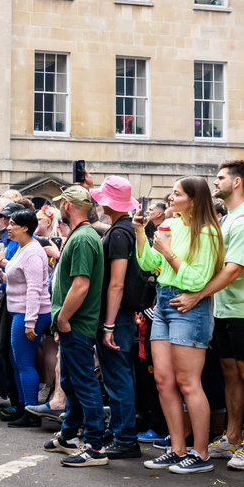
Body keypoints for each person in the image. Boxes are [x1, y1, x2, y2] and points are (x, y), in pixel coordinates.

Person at [174, 160, 244, 470]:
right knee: (230, 374)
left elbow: (232, 271)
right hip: (224, 309)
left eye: (221, 177)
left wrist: (198, 295)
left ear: (238, 182)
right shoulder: (227, 219)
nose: (215, 182)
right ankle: (232, 435)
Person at [138, 176, 224, 475]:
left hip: (190, 306)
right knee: (163, 380)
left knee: (189, 383)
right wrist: (140, 232)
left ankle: (200, 453)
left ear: (194, 199)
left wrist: (170, 253)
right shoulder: (170, 225)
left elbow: (197, 281)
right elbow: (149, 264)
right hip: (163, 302)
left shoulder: (209, 233)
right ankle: (177, 448)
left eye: (176, 194)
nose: (170, 198)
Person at [42, 185, 108, 467]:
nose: (59, 209)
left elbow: (81, 285)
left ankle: (94, 445)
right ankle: (69, 436)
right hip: (75, 324)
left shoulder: (82, 238)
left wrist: (64, 318)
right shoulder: (84, 236)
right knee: (71, 380)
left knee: (83, 383)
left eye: (60, 204)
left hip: (77, 324)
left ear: (68, 206)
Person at [90, 176, 145, 459]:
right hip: (120, 314)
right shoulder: (124, 230)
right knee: (120, 376)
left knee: (118, 377)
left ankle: (125, 438)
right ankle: (122, 432)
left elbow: (117, 283)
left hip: (117, 315)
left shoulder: (120, 233)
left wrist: (108, 324)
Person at [3, 209, 51, 428]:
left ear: (25, 228)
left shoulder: (32, 252)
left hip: (29, 314)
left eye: (12, 224)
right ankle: (23, 406)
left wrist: (30, 322)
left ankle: (31, 411)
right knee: (18, 362)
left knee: (24, 363)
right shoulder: (24, 249)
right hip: (20, 312)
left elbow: (34, 289)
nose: (8, 227)